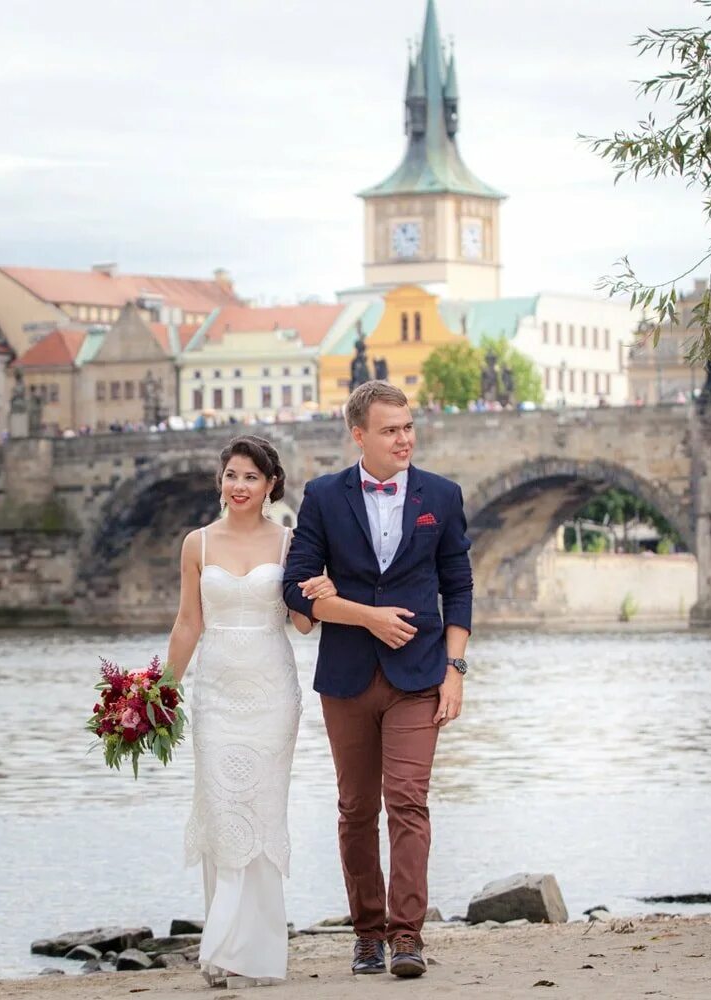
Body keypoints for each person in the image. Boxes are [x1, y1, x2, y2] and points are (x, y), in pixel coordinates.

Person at [282, 380, 474, 979]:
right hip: (346, 676)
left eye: (409, 426)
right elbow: (296, 586)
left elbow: (458, 586)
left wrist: (456, 669)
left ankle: (407, 937)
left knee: (409, 803)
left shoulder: (441, 496)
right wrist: (363, 614)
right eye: (391, 429)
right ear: (359, 434)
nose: (405, 439)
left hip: (420, 675)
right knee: (356, 809)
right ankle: (367, 934)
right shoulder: (322, 496)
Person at [165, 435, 335, 988]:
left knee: (261, 813)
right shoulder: (197, 545)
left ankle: (252, 953)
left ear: (270, 486)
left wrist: (322, 591)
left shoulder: (290, 543)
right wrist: (160, 692)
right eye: (232, 475)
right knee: (221, 811)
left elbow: (304, 622)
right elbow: (189, 622)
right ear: (222, 481)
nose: (239, 486)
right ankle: (223, 949)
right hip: (215, 694)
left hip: (270, 694)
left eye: (251, 478)